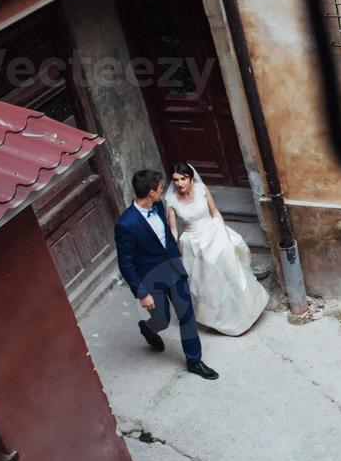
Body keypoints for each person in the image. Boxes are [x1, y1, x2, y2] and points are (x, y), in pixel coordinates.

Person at [114, 168, 219, 381]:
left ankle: (194, 360)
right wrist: (142, 292)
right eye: (161, 188)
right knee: (162, 320)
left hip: (173, 269)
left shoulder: (158, 205)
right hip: (152, 278)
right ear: (152, 192)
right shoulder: (126, 224)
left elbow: (166, 237)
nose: (164, 190)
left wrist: (177, 258)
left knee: (186, 315)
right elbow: (125, 263)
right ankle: (147, 328)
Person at [163, 163, 269, 335]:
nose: (179, 183)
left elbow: (215, 212)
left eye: (183, 179)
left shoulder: (202, 188)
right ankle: (220, 319)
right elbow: (174, 229)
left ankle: (245, 312)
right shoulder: (172, 201)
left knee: (231, 271)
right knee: (208, 282)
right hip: (193, 242)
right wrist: (172, 250)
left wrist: (221, 231)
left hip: (214, 233)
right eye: (176, 180)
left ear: (191, 178)